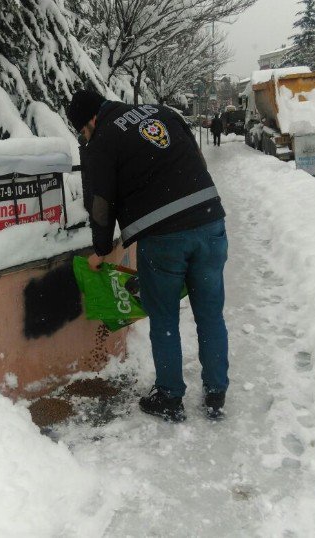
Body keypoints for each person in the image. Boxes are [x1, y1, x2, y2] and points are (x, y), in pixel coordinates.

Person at [67, 90, 229, 422]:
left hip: (165, 237)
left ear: (91, 120)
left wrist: (100, 250)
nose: (86, 138)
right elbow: (196, 157)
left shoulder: (103, 140)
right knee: (211, 314)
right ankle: (216, 393)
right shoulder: (162, 113)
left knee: (165, 318)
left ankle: (170, 397)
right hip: (210, 221)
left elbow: (101, 203)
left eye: (83, 132)